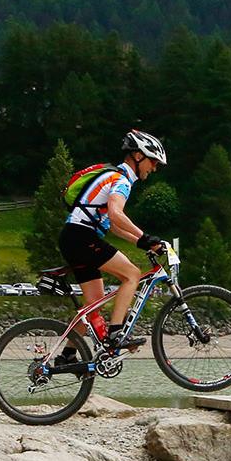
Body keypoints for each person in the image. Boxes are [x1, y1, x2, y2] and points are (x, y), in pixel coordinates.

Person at [55, 130, 168, 365]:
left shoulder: (114, 177)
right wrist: (145, 236)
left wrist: (141, 242)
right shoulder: (121, 180)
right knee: (132, 274)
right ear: (138, 156)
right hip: (81, 237)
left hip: (75, 237)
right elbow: (117, 215)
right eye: (153, 161)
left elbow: (113, 226)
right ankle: (116, 334)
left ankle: (66, 356)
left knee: (93, 304)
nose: (154, 168)